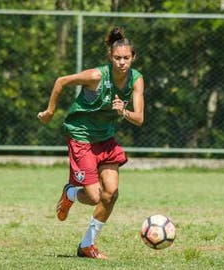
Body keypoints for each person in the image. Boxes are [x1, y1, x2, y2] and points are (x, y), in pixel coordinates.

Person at [37, 27, 144, 259]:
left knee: (111, 193)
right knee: (95, 196)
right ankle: (71, 193)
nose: (122, 62)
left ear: (133, 57)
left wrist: (123, 111)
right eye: (117, 58)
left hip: (105, 138)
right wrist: (50, 111)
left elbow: (139, 118)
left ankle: (87, 245)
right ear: (110, 57)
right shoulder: (97, 76)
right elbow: (61, 81)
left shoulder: (136, 80)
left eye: (126, 58)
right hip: (81, 136)